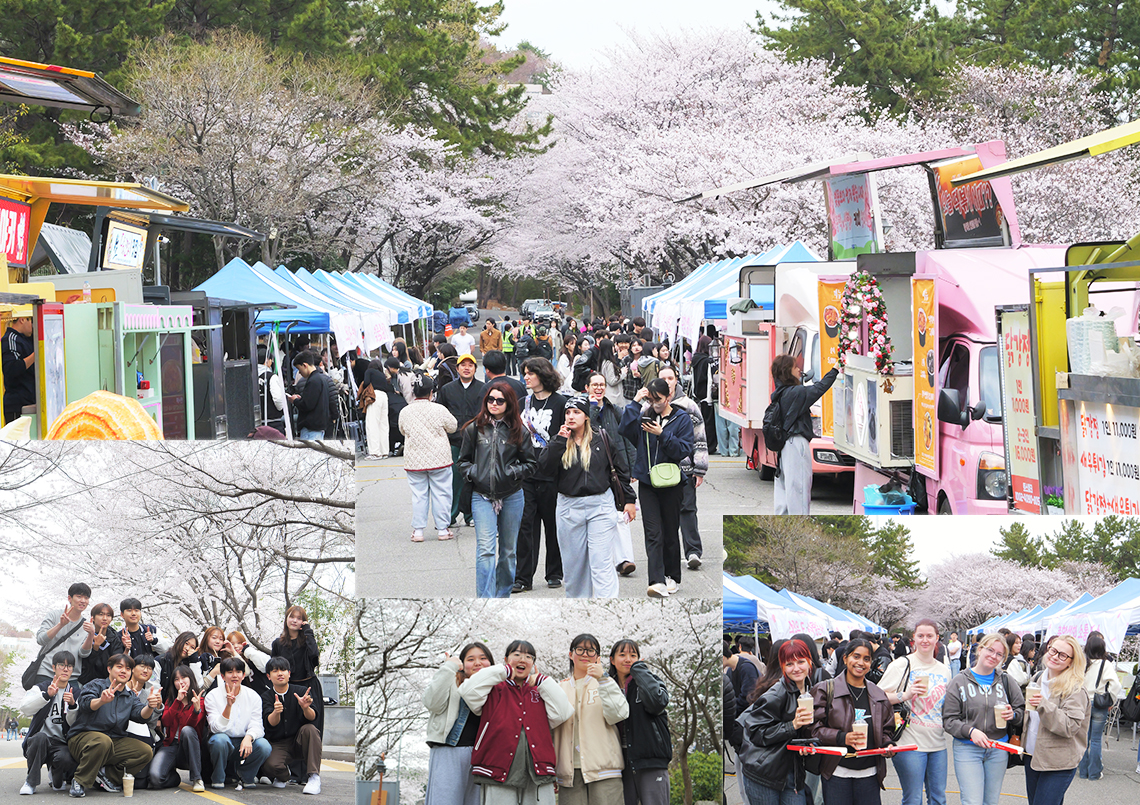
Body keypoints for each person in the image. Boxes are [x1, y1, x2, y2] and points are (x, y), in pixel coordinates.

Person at [538, 395, 636, 598]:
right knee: (574, 569)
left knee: (601, 563)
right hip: (569, 507)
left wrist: (629, 500)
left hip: (600, 505)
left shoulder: (601, 438)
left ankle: (606, 605)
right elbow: (544, 468)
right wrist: (559, 441)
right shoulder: (559, 440)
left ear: (586, 417)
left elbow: (619, 471)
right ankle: (579, 607)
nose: (571, 416)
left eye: (576, 412)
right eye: (567, 412)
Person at [457, 640, 573, 805]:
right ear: (506, 659)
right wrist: (503, 671)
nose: (522, 659)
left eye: (528, 657)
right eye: (517, 654)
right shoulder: (492, 688)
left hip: (538, 769)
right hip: (496, 767)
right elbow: (467, 691)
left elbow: (563, 713)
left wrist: (543, 681)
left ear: (533, 663)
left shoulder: (540, 691)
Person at [458, 384, 537, 597]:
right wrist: (475, 472)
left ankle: (502, 597)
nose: (494, 404)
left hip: (512, 495)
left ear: (508, 404)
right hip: (482, 495)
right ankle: (485, 599)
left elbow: (531, 464)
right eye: (490, 399)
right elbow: (463, 461)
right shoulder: (474, 428)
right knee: (486, 550)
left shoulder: (519, 430)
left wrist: (511, 472)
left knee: (508, 551)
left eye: (500, 400)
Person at [619, 378, 694, 598]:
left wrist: (662, 434)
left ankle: (672, 576)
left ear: (668, 396)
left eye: (658, 400)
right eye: (650, 400)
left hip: (672, 482)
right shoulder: (645, 416)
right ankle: (656, 581)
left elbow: (683, 449)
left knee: (670, 531)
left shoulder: (681, 418)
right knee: (653, 533)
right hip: (648, 482)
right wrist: (635, 402)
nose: (655, 404)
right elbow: (625, 429)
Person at [811, 638, 897, 805]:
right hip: (836, 773)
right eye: (856, 656)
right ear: (845, 658)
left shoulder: (878, 694)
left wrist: (887, 745)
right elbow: (813, 729)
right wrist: (842, 737)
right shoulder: (825, 690)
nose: (861, 663)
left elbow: (887, 729)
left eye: (866, 659)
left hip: (870, 774)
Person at [942, 632, 1025, 805]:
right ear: (980, 650)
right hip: (967, 748)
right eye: (990, 650)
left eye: (999, 654)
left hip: (998, 748)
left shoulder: (1006, 681)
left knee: (991, 801)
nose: (994, 656)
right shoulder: (959, 681)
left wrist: (1014, 715)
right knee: (972, 801)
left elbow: (1022, 710)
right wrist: (970, 731)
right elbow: (949, 720)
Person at [879, 619, 952, 805]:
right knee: (913, 798)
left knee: (938, 798)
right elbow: (877, 696)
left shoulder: (944, 670)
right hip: (909, 743)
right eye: (921, 636)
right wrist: (905, 695)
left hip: (937, 742)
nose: (925, 640)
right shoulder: (902, 664)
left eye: (929, 636)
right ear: (914, 638)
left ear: (937, 638)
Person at [67, 653, 158, 798]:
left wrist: (150, 706)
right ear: (109, 669)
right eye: (119, 667)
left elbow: (141, 716)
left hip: (113, 740)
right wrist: (101, 701)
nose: (124, 671)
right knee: (102, 741)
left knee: (145, 751)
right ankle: (79, 780)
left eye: (128, 669)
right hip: (83, 738)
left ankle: (106, 776)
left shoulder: (130, 696)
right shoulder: (96, 685)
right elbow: (85, 704)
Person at [737, 639, 817, 805]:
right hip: (764, 773)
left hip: (791, 771)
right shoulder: (776, 694)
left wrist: (806, 744)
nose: (796, 668)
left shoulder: (808, 688)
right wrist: (792, 725)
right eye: (789, 664)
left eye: (801, 662)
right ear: (782, 666)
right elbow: (755, 732)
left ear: (809, 662)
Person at [553, 634, 628, 805]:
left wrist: (603, 679)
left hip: (604, 770)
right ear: (571, 654)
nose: (585, 654)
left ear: (598, 657)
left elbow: (619, 714)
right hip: (569, 773)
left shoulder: (606, 683)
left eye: (590, 650)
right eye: (580, 649)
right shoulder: (559, 688)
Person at [514, 358, 567, 593]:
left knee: (553, 526)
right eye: (524, 373)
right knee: (525, 526)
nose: (526, 377)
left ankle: (554, 573)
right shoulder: (522, 403)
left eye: (530, 373)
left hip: (552, 473)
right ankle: (523, 577)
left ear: (543, 374)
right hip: (526, 473)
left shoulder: (561, 403)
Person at [1021, 634, 1090, 804]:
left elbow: (1070, 726)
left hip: (1058, 762)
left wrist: (1043, 705)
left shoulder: (1075, 688)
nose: (1055, 656)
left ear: (1071, 662)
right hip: (1032, 755)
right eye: (1053, 650)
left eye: (1063, 655)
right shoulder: (1038, 678)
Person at [422, 642, 494, 805]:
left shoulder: (498, 688)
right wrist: (448, 667)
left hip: (482, 758)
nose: (477, 663)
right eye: (471, 659)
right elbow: (431, 703)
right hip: (449, 751)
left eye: (483, 658)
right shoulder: (452, 681)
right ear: (462, 664)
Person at [768, 355, 838, 514]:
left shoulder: (780, 393)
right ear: (787, 371)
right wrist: (835, 370)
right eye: (795, 367)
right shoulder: (796, 393)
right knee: (799, 490)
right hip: (796, 443)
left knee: (785, 492)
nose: (799, 370)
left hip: (784, 445)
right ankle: (800, 526)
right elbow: (820, 388)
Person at [584, 372, 638, 577]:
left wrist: (632, 467)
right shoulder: (582, 410)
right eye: (594, 385)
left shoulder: (615, 410)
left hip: (615, 470)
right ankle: (599, 560)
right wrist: (591, 407)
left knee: (621, 513)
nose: (598, 388)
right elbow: (584, 429)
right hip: (592, 471)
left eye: (602, 385)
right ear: (587, 388)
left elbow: (628, 438)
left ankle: (625, 560)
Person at [655, 365, 708, 570]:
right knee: (661, 514)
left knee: (687, 510)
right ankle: (663, 554)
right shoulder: (650, 406)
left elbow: (699, 438)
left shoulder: (689, 405)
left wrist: (699, 468)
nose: (667, 382)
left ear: (677, 379)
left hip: (684, 470)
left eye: (670, 378)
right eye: (663, 378)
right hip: (658, 470)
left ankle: (693, 551)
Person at [609, 639, 670, 805]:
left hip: (650, 759)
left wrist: (640, 671)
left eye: (633, 655)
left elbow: (657, 702)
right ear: (612, 660)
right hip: (620, 762)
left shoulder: (649, 680)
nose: (628, 659)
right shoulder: (607, 686)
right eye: (622, 655)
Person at [400, 375, 458, 541]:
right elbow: (453, 427)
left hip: (414, 459)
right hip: (439, 458)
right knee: (442, 493)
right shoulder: (439, 409)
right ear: (431, 392)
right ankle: (443, 529)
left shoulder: (405, 411)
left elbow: (402, 430)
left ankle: (418, 531)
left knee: (419, 495)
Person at [204, 656, 272, 790]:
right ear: (223, 676)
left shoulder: (253, 696)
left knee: (264, 746)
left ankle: (245, 775)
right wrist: (228, 706)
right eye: (230, 672)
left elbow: (257, 725)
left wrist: (249, 737)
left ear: (243, 675)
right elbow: (215, 728)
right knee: (219, 740)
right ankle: (218, 777)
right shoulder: (212, 696)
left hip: (244, 742)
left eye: (238, 672)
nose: (234, 675)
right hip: (223, 741)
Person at [19, 651, 79, 795]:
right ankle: (30, 782)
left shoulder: (76, 693)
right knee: (39, 738)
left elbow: (76, 724)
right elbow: (25, 708)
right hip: (41, 740)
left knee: (64, 767)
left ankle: (56, 776)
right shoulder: (41, 687)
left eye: (69, 666)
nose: (65, 669)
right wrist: (47, 695)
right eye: (61, 665)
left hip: (61, 743)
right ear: (53, 667)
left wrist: (72, 705)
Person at [436, 353, 485, 528]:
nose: (466, 368)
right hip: (454, 441)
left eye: (470, 365)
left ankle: (471, 515)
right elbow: (440, 413)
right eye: (463, 365)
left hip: (476, 441)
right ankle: (450, 516)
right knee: (454, 480)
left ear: (475, 369)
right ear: (457, 369)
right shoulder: (447, 389)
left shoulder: (483, 389)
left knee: (475, 479)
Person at [261, 657, 323, 794]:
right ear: (268, 676)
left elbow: (313, 717)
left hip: (300, 740)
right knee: (270, 766)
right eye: (275, 671)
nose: (280, 673)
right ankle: (284, 776)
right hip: (279, 743)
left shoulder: (301, 691)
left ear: (289, 673)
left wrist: (305, 708)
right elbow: (270, 722)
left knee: (310, 729)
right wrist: (276, 712)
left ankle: (314, 777)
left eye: (283, 670)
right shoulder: (266, 696)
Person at [147, 665, 206, 791]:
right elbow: (165, 722)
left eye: (184, 677)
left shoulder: (199, 700)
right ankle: (174, 778)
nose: (180, 682)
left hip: (190, 749)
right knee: (155, 778)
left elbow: (191, 726)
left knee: (187, 730)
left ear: (191, 678)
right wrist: (178, 701)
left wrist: (196, 711)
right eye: (176, 679)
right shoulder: (171, 701)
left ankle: (197, 778)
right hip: (171, 745)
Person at [271, 605, 324, 736]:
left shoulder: (307, 641)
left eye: (299, 618)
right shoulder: (277, 643)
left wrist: (308, 632)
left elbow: (314, 656)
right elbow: (274, 666)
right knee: (290, 726)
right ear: (286, 619)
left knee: (313, 726)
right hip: (288, 688)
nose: (294, 620)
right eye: (292, 617)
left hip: (309, 685)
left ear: (303, 622)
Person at [1078, 631, 1125, 781]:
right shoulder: (1106, 664)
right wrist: (1111, 700)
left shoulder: (1082, 663)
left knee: (1083, 739)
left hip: (1083, 703)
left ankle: (1083, 771)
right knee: (1096, 740)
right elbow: (1116, 685)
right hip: (1099, 704)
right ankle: (1094, 773)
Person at [34, 584, 92, 687]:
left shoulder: (87, 625)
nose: (83, 601)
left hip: (71, 676)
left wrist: (91, 634)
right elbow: (40, 639)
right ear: (70, 598)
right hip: (46, 672)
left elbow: (83, 653)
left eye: (86, 598)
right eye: (79, 596)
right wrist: (60, 625)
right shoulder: (54, 615)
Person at [2, 310, 35, 426]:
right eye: (31, 321)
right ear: (22, 319)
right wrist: (35, 355)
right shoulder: (10, 339)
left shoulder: (28, 338)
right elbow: (12, 369)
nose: (33, 326)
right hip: (17, 405)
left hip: (31, 401)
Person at [289, 351, 331, 439]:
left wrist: (295, 401)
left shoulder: (313, 381)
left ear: (305, 365)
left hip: (311, 429)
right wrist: (301, 399)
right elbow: (313, 400)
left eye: (299, 369)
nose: (299, 373)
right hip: (319, 427)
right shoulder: (322, 378)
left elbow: (307, 405)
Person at [77, 603, 117, 686]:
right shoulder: (84, 634)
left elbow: (116, 661)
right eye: (101, 614)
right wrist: (96, 646)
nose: (105, 618)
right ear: (93, 618)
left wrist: (127, 649)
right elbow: (85, 662)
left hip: (107, 683)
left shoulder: (114, 637)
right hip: (85, 682)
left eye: (108, 615)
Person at [362, 358, 393, 459]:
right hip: (384, 396)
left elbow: (366, 383)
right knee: (383, 425)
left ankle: (375, 452)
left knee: (372, 424)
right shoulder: (382, 375)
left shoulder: (369, 371)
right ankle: (384, 451)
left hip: (374, 396)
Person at [156, 632, 199, 702]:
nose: (187, 648)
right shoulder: (161, 660)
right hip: (160, 704)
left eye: (192, 647)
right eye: (186, 643)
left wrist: (194, 661)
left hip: (179, 705)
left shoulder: (190, 665)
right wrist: (159, 706)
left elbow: (197, 684)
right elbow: (154, 686)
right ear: (178, 641)